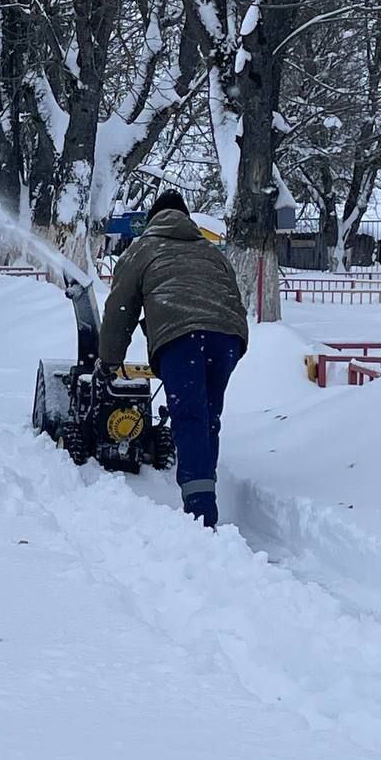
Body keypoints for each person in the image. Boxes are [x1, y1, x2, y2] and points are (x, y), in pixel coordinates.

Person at [98, 190, 248, 529]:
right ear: (186, 219)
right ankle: (204, 494)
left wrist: (108, 363)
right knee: (208, 416)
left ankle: (200, 516)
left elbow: (119, 310)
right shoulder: (210, 251)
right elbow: (233, 296)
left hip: (181, 338)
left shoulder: (143, 249)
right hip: (227, 338)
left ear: (153, 218)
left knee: (189, 417)